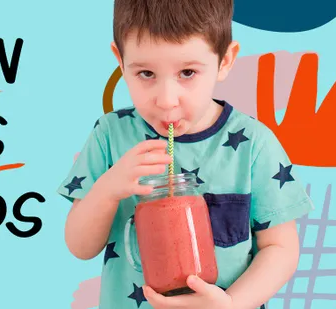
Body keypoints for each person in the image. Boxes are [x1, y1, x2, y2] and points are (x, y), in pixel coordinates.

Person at [57, 0, 315, 308]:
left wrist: (230, 303)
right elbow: (80, 247)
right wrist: (108, 189)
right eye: (146, 73)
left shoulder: (253, 144)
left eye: (188, 72)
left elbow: (280, 248)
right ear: (121, 60)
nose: (166, 100)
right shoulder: (111, 135)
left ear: (225, 61)